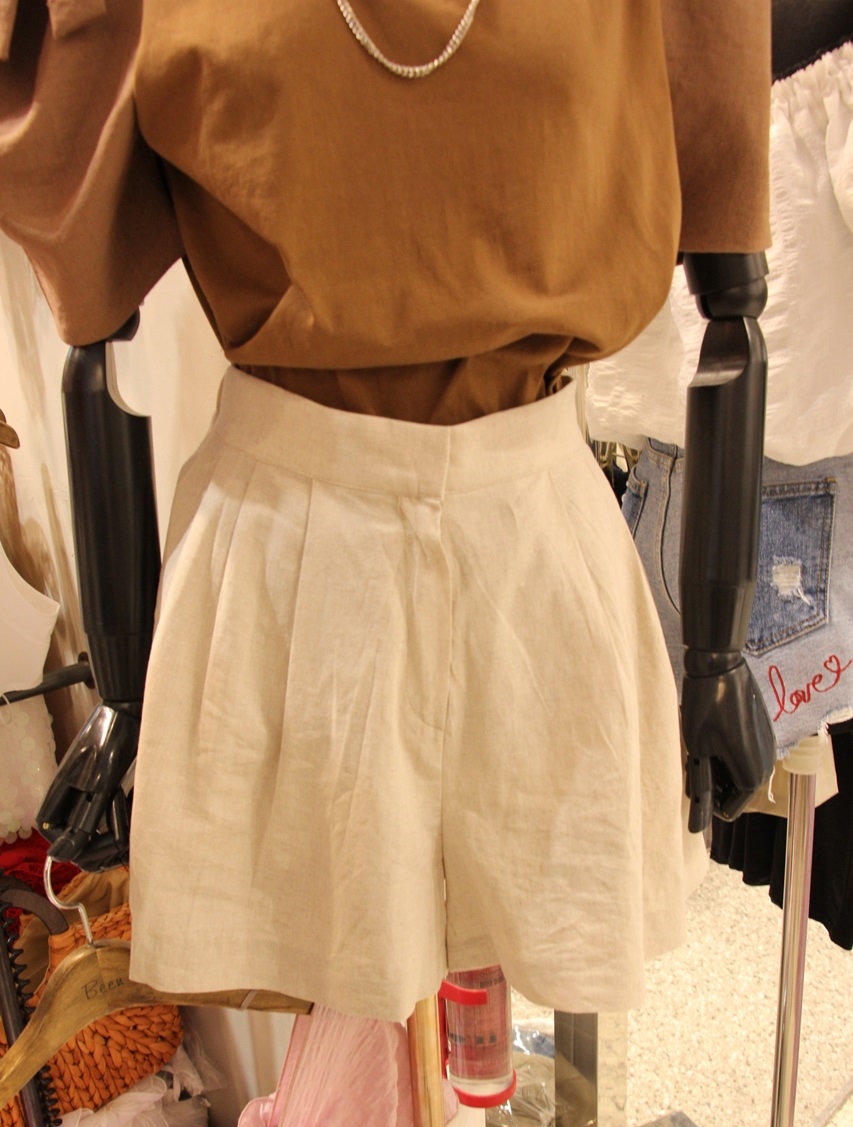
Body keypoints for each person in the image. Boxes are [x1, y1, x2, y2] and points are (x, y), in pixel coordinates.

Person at [0, 1, 772, 1023]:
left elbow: (733, 313)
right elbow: (92, 346)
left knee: (523, 975)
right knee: (341, 999)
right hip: (283, 571)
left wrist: (718, 652)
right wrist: (124, 690)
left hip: (537, 560)